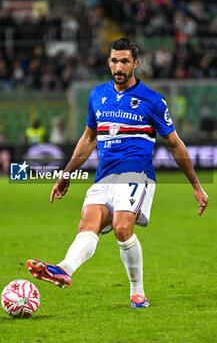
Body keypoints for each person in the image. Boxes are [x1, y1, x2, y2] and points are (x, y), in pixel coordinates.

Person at [26, 38, 208, 308]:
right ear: (108, 62)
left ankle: (138, 293)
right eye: (114, 60)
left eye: (124, 61)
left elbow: (174, 143)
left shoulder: (153, 100)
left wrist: (196, 185)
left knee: (123, 229)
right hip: (104, 177)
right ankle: (63, 269)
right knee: (88, 224)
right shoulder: (97, 95)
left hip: (136, 175)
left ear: (135, 63)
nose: (119, 66)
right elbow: (88, 139)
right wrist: (65, 174)